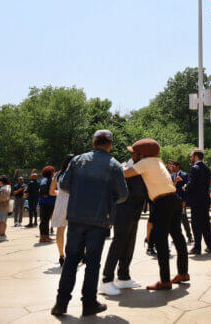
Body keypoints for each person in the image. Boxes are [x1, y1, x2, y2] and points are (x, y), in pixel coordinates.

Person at [52, 130, 128, 318]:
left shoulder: (77, 161)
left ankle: (61, 304)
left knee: (71, 261)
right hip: (100, 219)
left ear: (94, 143)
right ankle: (89, 303)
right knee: (93, 263)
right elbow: (123, 195)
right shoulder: (114, 165)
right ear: (110, 144)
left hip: (76, 217)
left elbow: (64, 184)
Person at [123, 139, 188, 291]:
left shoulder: (145, 163)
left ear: (141, 153)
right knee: (178, 237)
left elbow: (125, 174)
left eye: (134, 153)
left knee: (160, 241)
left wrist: (122, 166)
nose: (133, 155)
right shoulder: (158, 162)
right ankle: (183, 273)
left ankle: (165, 281)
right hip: (174, 199)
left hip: (162, 202)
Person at [100, 156, 147, 295]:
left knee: (129, 243)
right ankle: (106, 279)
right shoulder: (124, 168)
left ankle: (123, 276)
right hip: (122, 210)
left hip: (134, 211)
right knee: (119, 242)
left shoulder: (139, 168)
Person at [184, 149, 211, 255]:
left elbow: (191, 184)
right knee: (206, 224)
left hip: (196, 201)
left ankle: (197, 247)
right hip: (205, 200)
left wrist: (185, 188)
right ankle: (209, 246)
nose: (191, 158)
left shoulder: (194, 168)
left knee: (196, 224)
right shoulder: (207, 168)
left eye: (191, 156)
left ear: (196, 156)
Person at [51, 154, 74, 266]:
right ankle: (82, 253)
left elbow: (51, 192)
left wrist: (59, 193)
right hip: (74, 202)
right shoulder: (77, 173)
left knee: (60, 231)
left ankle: (61, 256)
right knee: (77, 230)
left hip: (60, 203)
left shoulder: (57, 175)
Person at [170, 161, 193, 244]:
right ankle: (176, 237)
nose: (171, 168)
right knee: (174, 220)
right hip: (173, 200)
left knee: (184, 219)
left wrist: (185, 201)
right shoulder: (171, 176)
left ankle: (189, 236)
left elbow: (187, 189)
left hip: (181, 201)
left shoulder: (185, 175)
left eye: (173, 166)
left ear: (178, 166)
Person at [39, 166, 56, 243]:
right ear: (50, 172)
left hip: (49, 203)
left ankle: (46, 236)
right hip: (45, 203)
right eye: (53, 171)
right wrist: (45, 194)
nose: (54, 173)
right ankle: (42, 237)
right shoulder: (45, 179)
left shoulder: (50, 180)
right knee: (44, 220)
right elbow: (43, 185)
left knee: (46, 220)